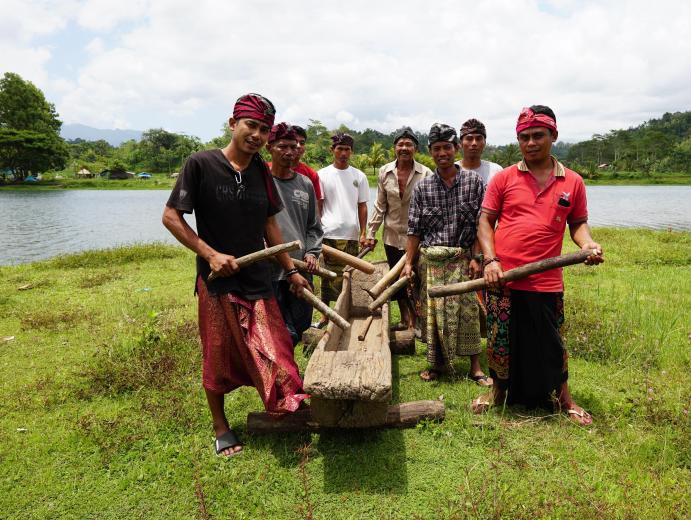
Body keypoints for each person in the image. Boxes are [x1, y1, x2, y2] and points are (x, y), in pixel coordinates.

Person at [162, 93, 310, 457]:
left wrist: (291, 271)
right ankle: (221, 427)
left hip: (258, 280)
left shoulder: (261, 171)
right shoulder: (201, 164)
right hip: (217, 284)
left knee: (276, 347)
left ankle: (287, 405)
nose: (257, 135)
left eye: (264, 129)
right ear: (233, 124)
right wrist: (210, 254)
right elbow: (170, 216)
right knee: (218, 353)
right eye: (251, 125)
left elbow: (270, 225)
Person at [471, 105, 604, 425]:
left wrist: (587, 244)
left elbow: (577, 224)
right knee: (500, 340)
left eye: (538, 136)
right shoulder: (504, 178)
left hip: (546, 280)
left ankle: (564, 398)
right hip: (503, 277)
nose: (530, 143)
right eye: (524, 137)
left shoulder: (573, 181)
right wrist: (491, 260)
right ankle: (498, 393)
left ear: (553, 135)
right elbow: (485, 221)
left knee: (551, 342)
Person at [404, 123, 491, 385]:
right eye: (436, 149)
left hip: (463, 259)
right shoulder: (422, 188)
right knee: (433, 314)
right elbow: (414, 230)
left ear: (455, 149)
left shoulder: (474, 182)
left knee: (468, 312)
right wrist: (408, 263)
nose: (442, 153)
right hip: (431, 262)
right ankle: (436, 364)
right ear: (430, 152)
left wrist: (477, 258)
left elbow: (481, 224)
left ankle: (475, 367)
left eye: (447, 147)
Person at [365, 127, 432, 330]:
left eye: (409, 144)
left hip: (417, 239)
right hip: (392, 236)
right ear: (394, 148)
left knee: (417, 279)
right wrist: (370, 233)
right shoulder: (385, 172)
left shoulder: (426, 174)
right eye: (400, 144)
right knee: (397, 281)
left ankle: (419, 321)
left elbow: (430, 209)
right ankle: (405, 319)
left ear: (415, 148)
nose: (404, 148)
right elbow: (380, 206)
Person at [267, 122, 323, 346]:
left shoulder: (305, 184)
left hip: (301, 269)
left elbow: (314, 226)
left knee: (299, 326)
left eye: (294, 146)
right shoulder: (260, 181)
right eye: (283, 146)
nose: (290, 152)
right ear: (269, 148)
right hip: (271, 271)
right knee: (278, 330)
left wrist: (312, 253)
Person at [315, 132, 369, 326]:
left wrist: (363, 232)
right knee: (326, 276)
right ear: (332, 150)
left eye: (347, 149)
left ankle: (344, 311)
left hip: (351, 235)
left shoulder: (359, 176)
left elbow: (362, 206)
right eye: (340, 149)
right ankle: (325, 315)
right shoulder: (321, 175)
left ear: (351, 151)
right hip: (328, 233)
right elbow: (319, 205)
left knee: (347, 275)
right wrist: (316, 231)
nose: (344, 153)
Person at [456, 118, 503, 186]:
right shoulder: (451, 172)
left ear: (485, 143)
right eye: (469, 139)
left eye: (478, 139)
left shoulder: (496, 171)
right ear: (461, 143)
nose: (474, 143)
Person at [292, 125, 324, 215]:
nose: (298, 146)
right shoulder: (268, 169)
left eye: (302, 143)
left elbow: (316, 205)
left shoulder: (311, 174)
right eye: (295, 141)